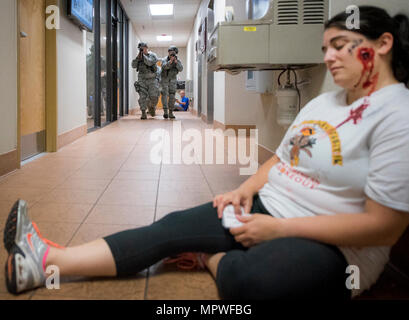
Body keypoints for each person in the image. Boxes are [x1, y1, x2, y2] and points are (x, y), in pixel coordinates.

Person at [4, 6, 409, 299]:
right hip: (268, 205)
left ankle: (208, 257)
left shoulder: (398, 115)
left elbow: (384, 227)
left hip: (334, 245)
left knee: (253, 284)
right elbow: (282, 159)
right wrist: (245, 191)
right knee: (168, 228)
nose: (328, 57)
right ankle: (44, 261)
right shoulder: (325, 103)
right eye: (325, 48)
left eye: (339, 46)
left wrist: (279, 230)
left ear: (383, 44)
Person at [132, 42, 159, 120]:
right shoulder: (139, 57)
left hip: (152, 79)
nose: (142, 49)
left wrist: (143, 56)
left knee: (154, 96)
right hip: (142, 79)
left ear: (146, 48)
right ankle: (143, 112)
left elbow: (150, 62)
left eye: (143, 48)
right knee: (142, 97)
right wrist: (138, 58)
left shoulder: (153, 55)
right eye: (140, 48)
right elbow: (133, 65)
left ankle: (152, 107)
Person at [160, 46, 184, 119]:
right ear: (168, 52)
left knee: (172, 96)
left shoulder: (177, 60)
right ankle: (165, 112)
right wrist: (170, 62)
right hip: (165, 80)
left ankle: (170, 112)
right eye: (170, 52)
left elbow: (181, 69)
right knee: (164, 95)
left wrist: (176, 63)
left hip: (173, 81)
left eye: (173, 52)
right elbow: (163, 67)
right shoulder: (164, 59)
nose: (172, 53)